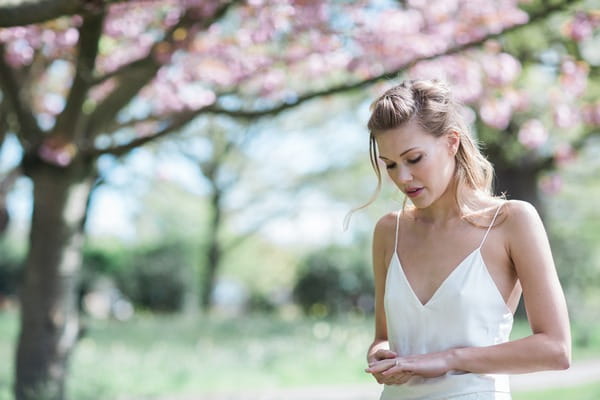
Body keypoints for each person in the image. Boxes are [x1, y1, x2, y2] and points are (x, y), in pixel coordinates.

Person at [351, 79, 571, 399]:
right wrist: (380, 354)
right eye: (390, 165)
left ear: (451, 142)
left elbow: (556, 349)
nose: (402, 177)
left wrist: (448, 360)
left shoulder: (512, 222)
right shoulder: (389, 231)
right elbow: (384, 337)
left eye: (414, 159)